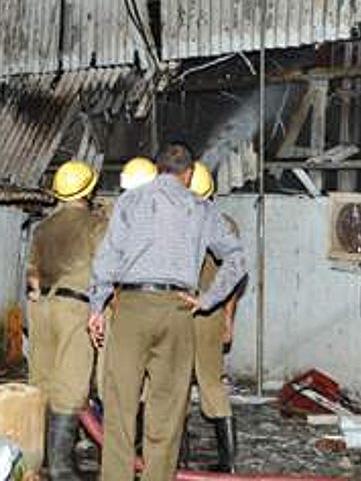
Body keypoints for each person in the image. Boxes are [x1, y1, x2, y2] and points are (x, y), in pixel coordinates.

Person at [88, 143, 247, 481]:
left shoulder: (130, 201)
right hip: (178, 310)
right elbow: (237, 260)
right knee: (167, 411)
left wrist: (97, 307)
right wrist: (208, 300)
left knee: (119, 407)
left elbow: (107, 258)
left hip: (131, 307)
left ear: (157, 168)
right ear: (189, 174)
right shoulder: (202, 208)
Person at [27, 160, 108, 481]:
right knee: (71, 384)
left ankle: (43, 461)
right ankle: (61, 468)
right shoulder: (95, 225)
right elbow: (106, 271)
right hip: (74, 308)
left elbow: (32, 276)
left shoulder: (43, 227)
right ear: (89, 190)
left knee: (43, 381)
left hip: (40, 307)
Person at [188, 161, 242, 471]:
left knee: (172, 382)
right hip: (210, 311)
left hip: (180, 309)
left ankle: (175, 456)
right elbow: (233, 279)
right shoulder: (224, 224)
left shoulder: (175, 223)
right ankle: (227, 461)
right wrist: (227, 318)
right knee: (211, 380)